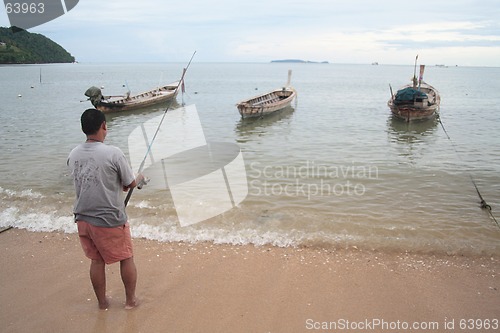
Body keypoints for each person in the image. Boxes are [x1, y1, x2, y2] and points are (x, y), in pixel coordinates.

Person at [67, 108, 141, 310]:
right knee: (126, 257)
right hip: (109, 219)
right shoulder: (113, 153)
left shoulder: (73, 154)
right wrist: (140, 178)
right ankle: (130, 301)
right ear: (104, 126)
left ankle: (102, 303)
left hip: (82, 219)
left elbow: (93, 179)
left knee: (96, 260)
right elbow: (130, 183)